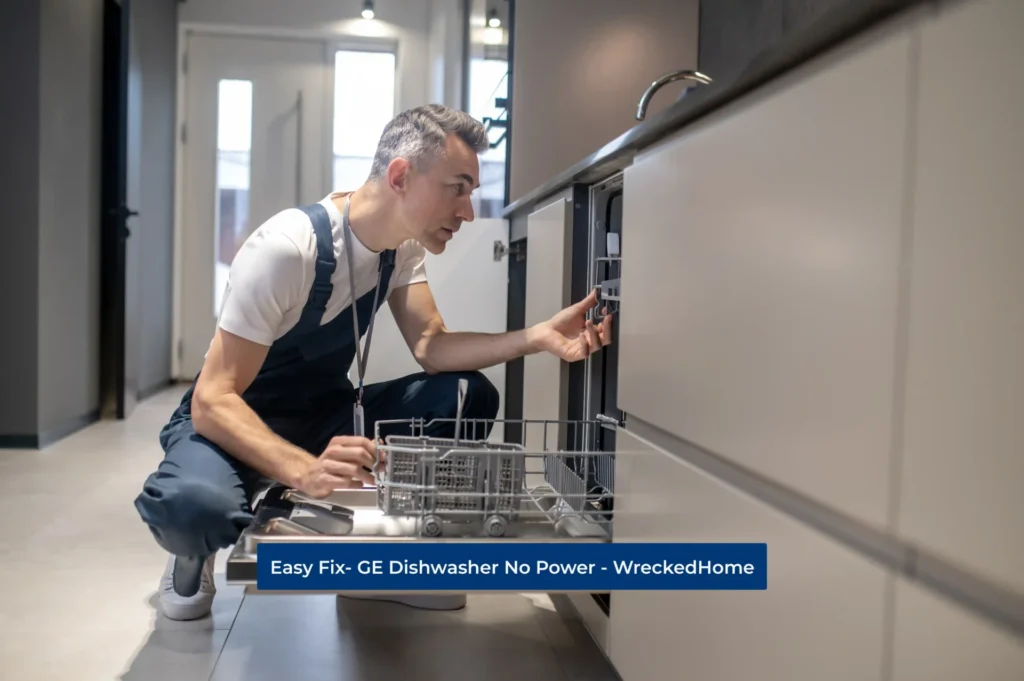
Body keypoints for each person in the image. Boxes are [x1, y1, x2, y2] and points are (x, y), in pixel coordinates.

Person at [134, 104, 614, 621]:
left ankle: (385, 560)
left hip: (322, 415)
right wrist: (303, 469)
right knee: (194, 509)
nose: (469, 212)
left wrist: (535, 337)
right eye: (458, 187)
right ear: (401, 175)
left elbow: (432, 346)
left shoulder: (401, 249)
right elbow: (212, 399)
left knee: (466, 393)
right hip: (232, 420)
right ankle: (193, 550)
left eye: (471, 192)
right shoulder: (287, 249)